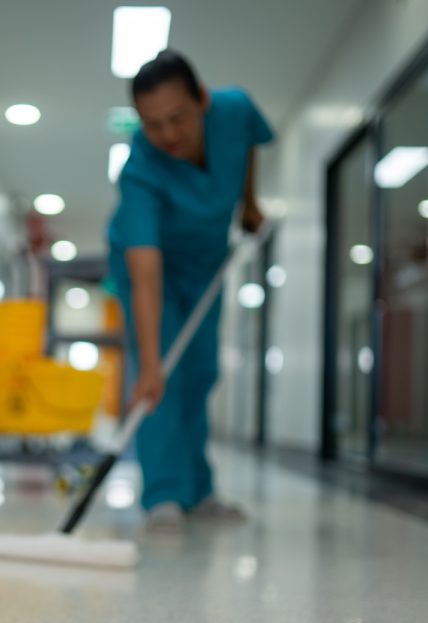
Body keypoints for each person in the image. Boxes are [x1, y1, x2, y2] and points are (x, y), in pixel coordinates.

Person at [106, 49, 273, 530]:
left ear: (202, 99)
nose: (168, 135)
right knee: (163, 382)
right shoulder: (140, 170)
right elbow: (144, 271)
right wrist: (150, 363)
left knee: (200, 373)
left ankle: (199, 492)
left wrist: (249, 202)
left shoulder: (235, 109)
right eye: (152, 124)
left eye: (178, 118)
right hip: (150, 266)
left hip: (205, 264)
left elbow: (248, 145)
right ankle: (162, 497)